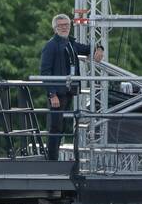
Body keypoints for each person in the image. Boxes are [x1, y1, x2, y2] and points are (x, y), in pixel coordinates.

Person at [39, 13, 104, 161]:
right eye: (61, 26)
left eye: (66, 25)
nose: (64, 28)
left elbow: (87, 48)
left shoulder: (70, 43)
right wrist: (51, 94)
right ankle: (52, 160)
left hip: (68, 91)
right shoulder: (50, 46)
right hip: (57, 92)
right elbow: (45, 71)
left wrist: (99, 48)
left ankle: (55, 159)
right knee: (55, 127)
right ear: (55, 28)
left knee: (64, 125)